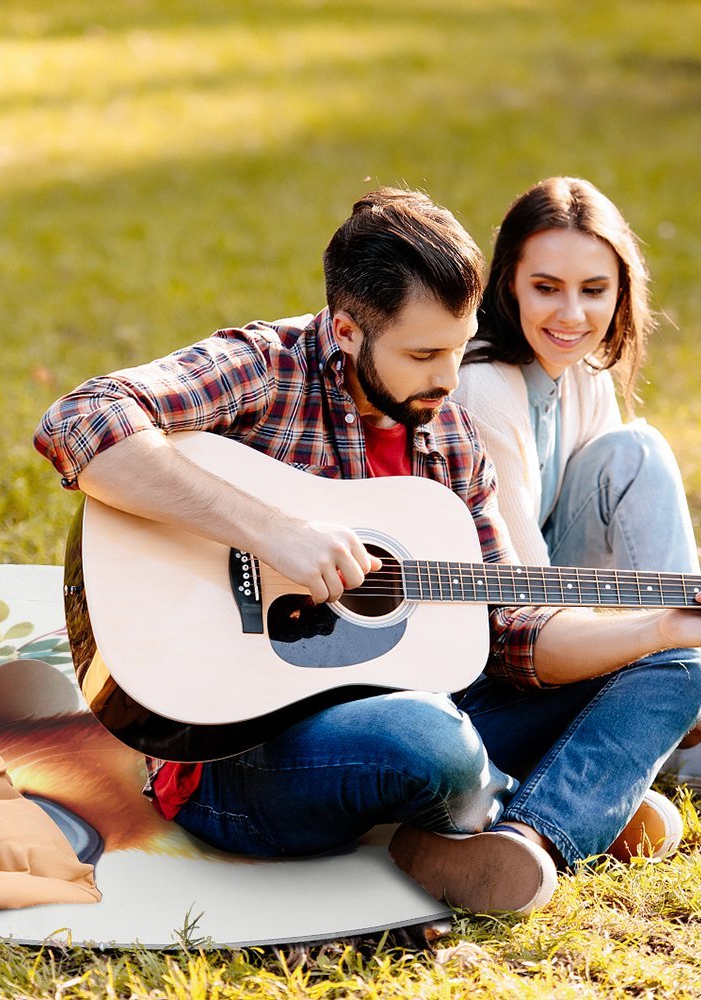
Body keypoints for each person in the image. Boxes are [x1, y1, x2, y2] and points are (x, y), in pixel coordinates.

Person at [34, 187, 701, 916]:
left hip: (426, 711)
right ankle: (560, 796)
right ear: (347, 330)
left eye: (458, 346)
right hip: (237, 757)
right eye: (423, 354)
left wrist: (657, 628)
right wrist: (270, 530)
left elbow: (511, 629)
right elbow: (81, 419)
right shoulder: (265, 367)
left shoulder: (449, 436)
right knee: (430, 742)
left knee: (681, 665)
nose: (449, 380)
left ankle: (531, 836)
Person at [454, 176, 701, 790]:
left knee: (632, 451)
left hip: (561, 609)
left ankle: (680, 693)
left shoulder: (583, 370)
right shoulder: (484, 385)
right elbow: (525, 602)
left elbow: (622, 538)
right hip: (497, 646)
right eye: (546, 288)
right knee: (638, 451)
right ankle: (677, 717)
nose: (572, 315)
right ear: (508, 281)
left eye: (594, 290)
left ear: (621, 292)